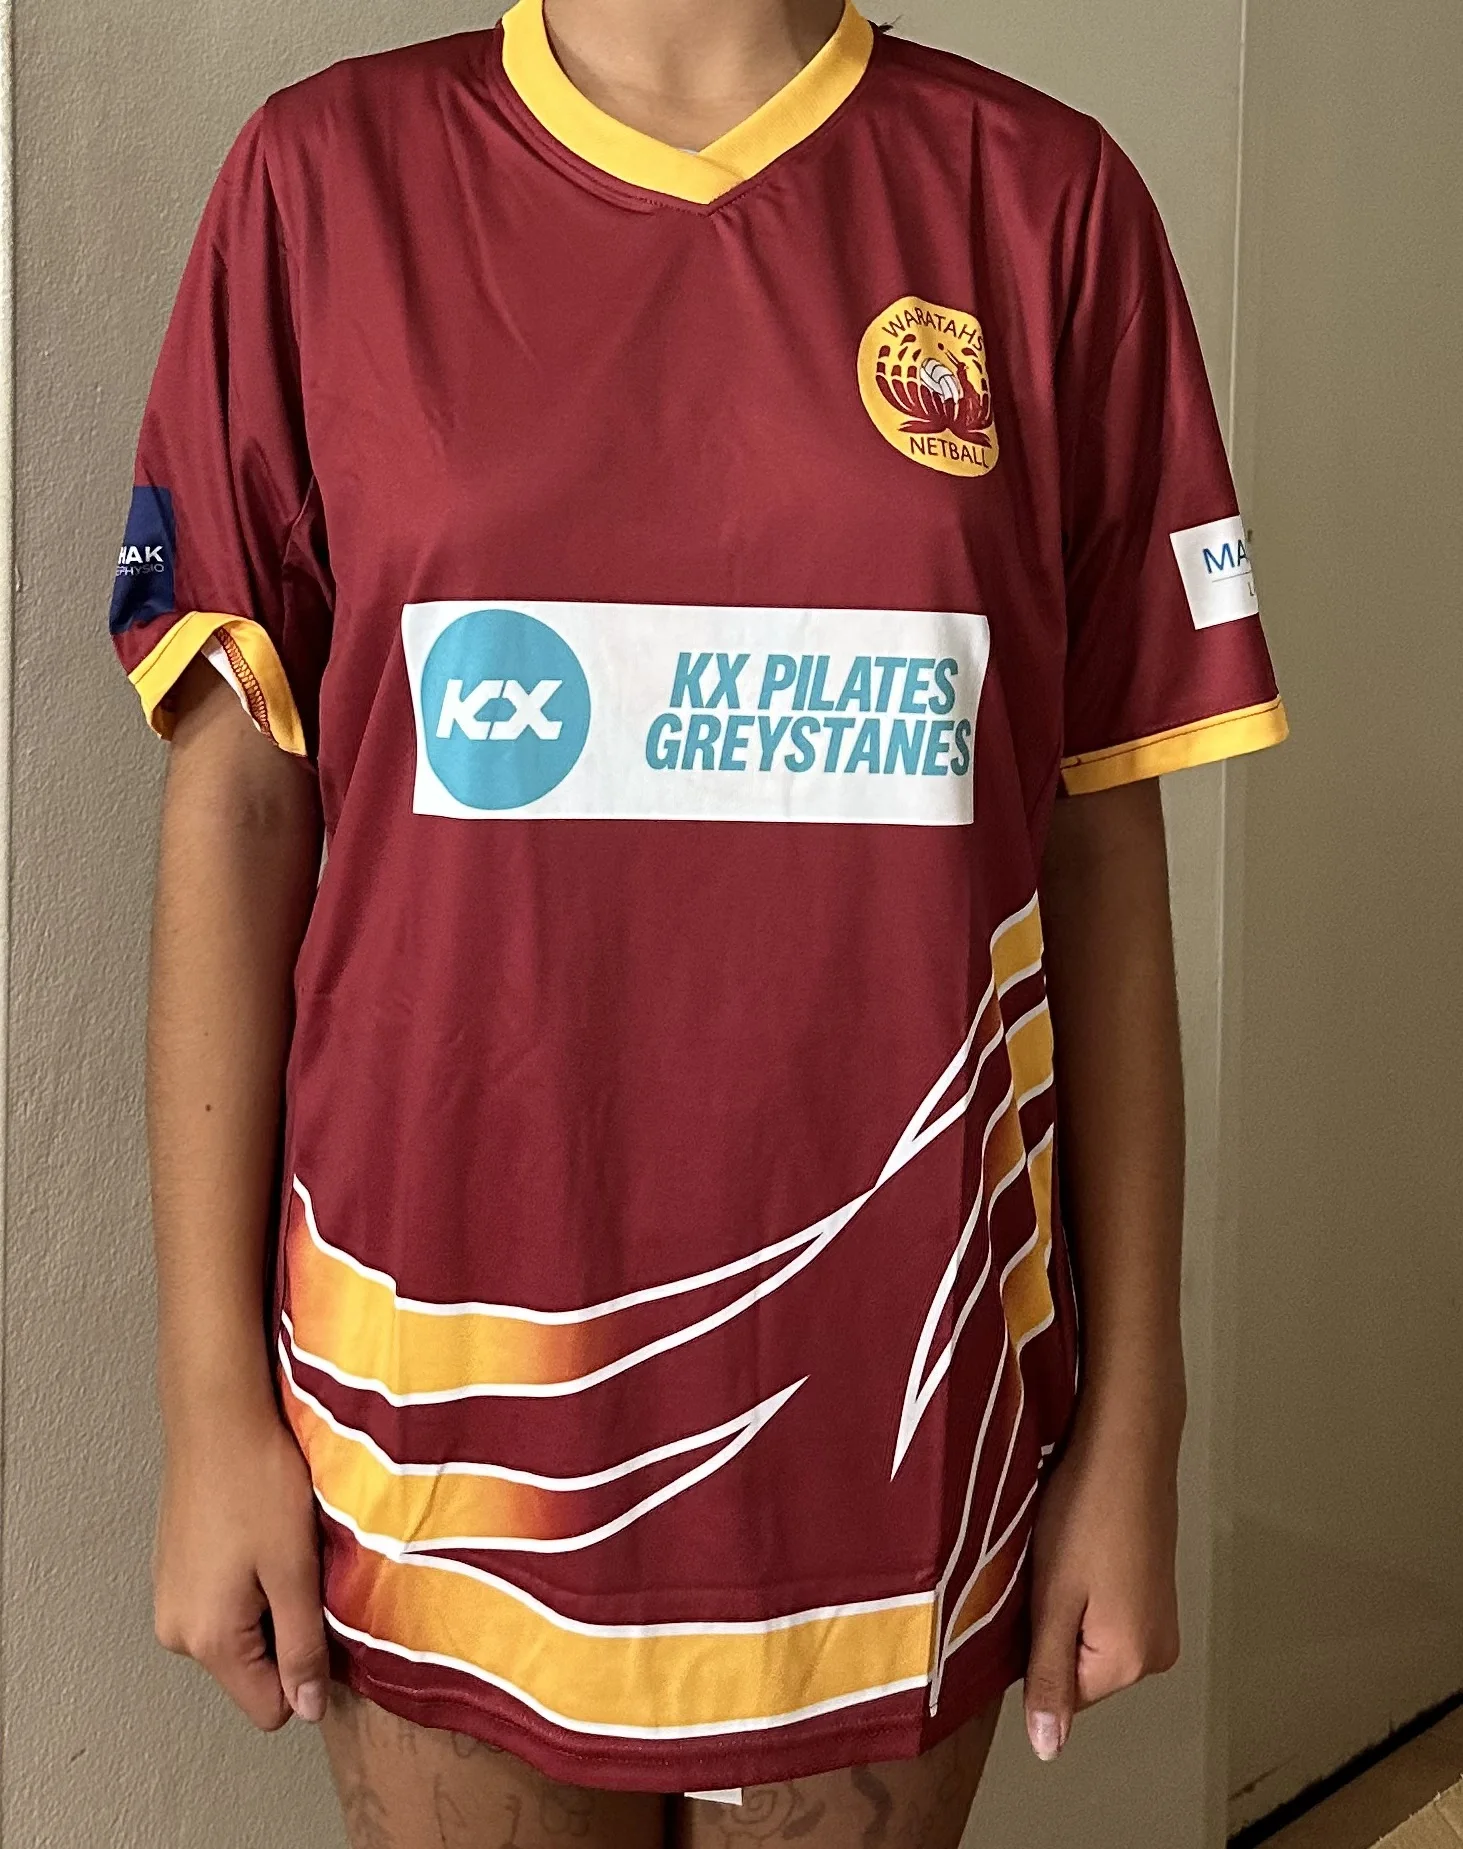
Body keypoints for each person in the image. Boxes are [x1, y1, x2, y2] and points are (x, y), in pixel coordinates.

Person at [110, 0, 1287, 1842]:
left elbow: (1099, 846)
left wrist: (1138, 1411)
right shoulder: (322, 184)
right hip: (438, 1413)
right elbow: (242, 804)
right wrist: (208, 1411)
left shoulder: (1040, 202)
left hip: (901, 1410)